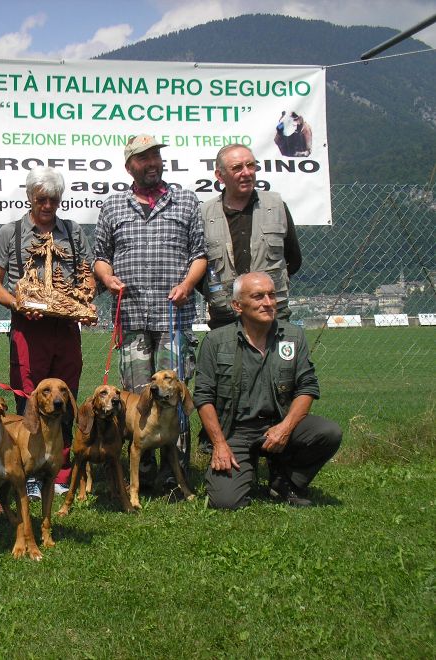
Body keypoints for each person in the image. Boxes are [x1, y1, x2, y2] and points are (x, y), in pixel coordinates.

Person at [94, 133, 207, 491]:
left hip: (174, 316)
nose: (152, 163)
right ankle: (139, 472)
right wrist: (107, 278)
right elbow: (100, 257)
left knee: (175, 396)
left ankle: (175, 475)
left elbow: (199, 255)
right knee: (136, 397)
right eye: (144, 158)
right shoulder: (113, 206)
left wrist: (188, 284)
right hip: (131, 318)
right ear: (130, 166)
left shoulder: (185, 201)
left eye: (156, 155)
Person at [194, 272, 342, 509]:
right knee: (226, 502)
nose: (268, 302)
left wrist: (285, 428)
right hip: (235, 431)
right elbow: (203, 397)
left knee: (328, 432)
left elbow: (307, 386)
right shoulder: (216, 341)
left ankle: (286, 480)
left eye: (272, 295)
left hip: (278, 425)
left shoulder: (293, 336)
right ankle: (244, 465)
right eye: (258, 296)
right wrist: (220, 444)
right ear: (237, 305)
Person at [0, 167, 95, 498]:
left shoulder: (73, 232)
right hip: (28, 329)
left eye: (53, 199)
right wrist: (17, 305)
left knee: (64, 397)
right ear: (29, 197)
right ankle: (27, 471)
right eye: (41, 199)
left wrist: (85, 299)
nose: (48, 205)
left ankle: (60, 472)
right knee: (29, 398)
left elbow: (88, 275)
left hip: (65, 329)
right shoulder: (10, 233)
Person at [200, 144, 302, 330]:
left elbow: (293, 259)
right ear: (220, 176)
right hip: (225, 316)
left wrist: (266, 290)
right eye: (237, 168)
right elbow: (199, 267)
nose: (246, 173)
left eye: (251, 165)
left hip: (272, 314)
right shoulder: (204, 214)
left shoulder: (276, 206)